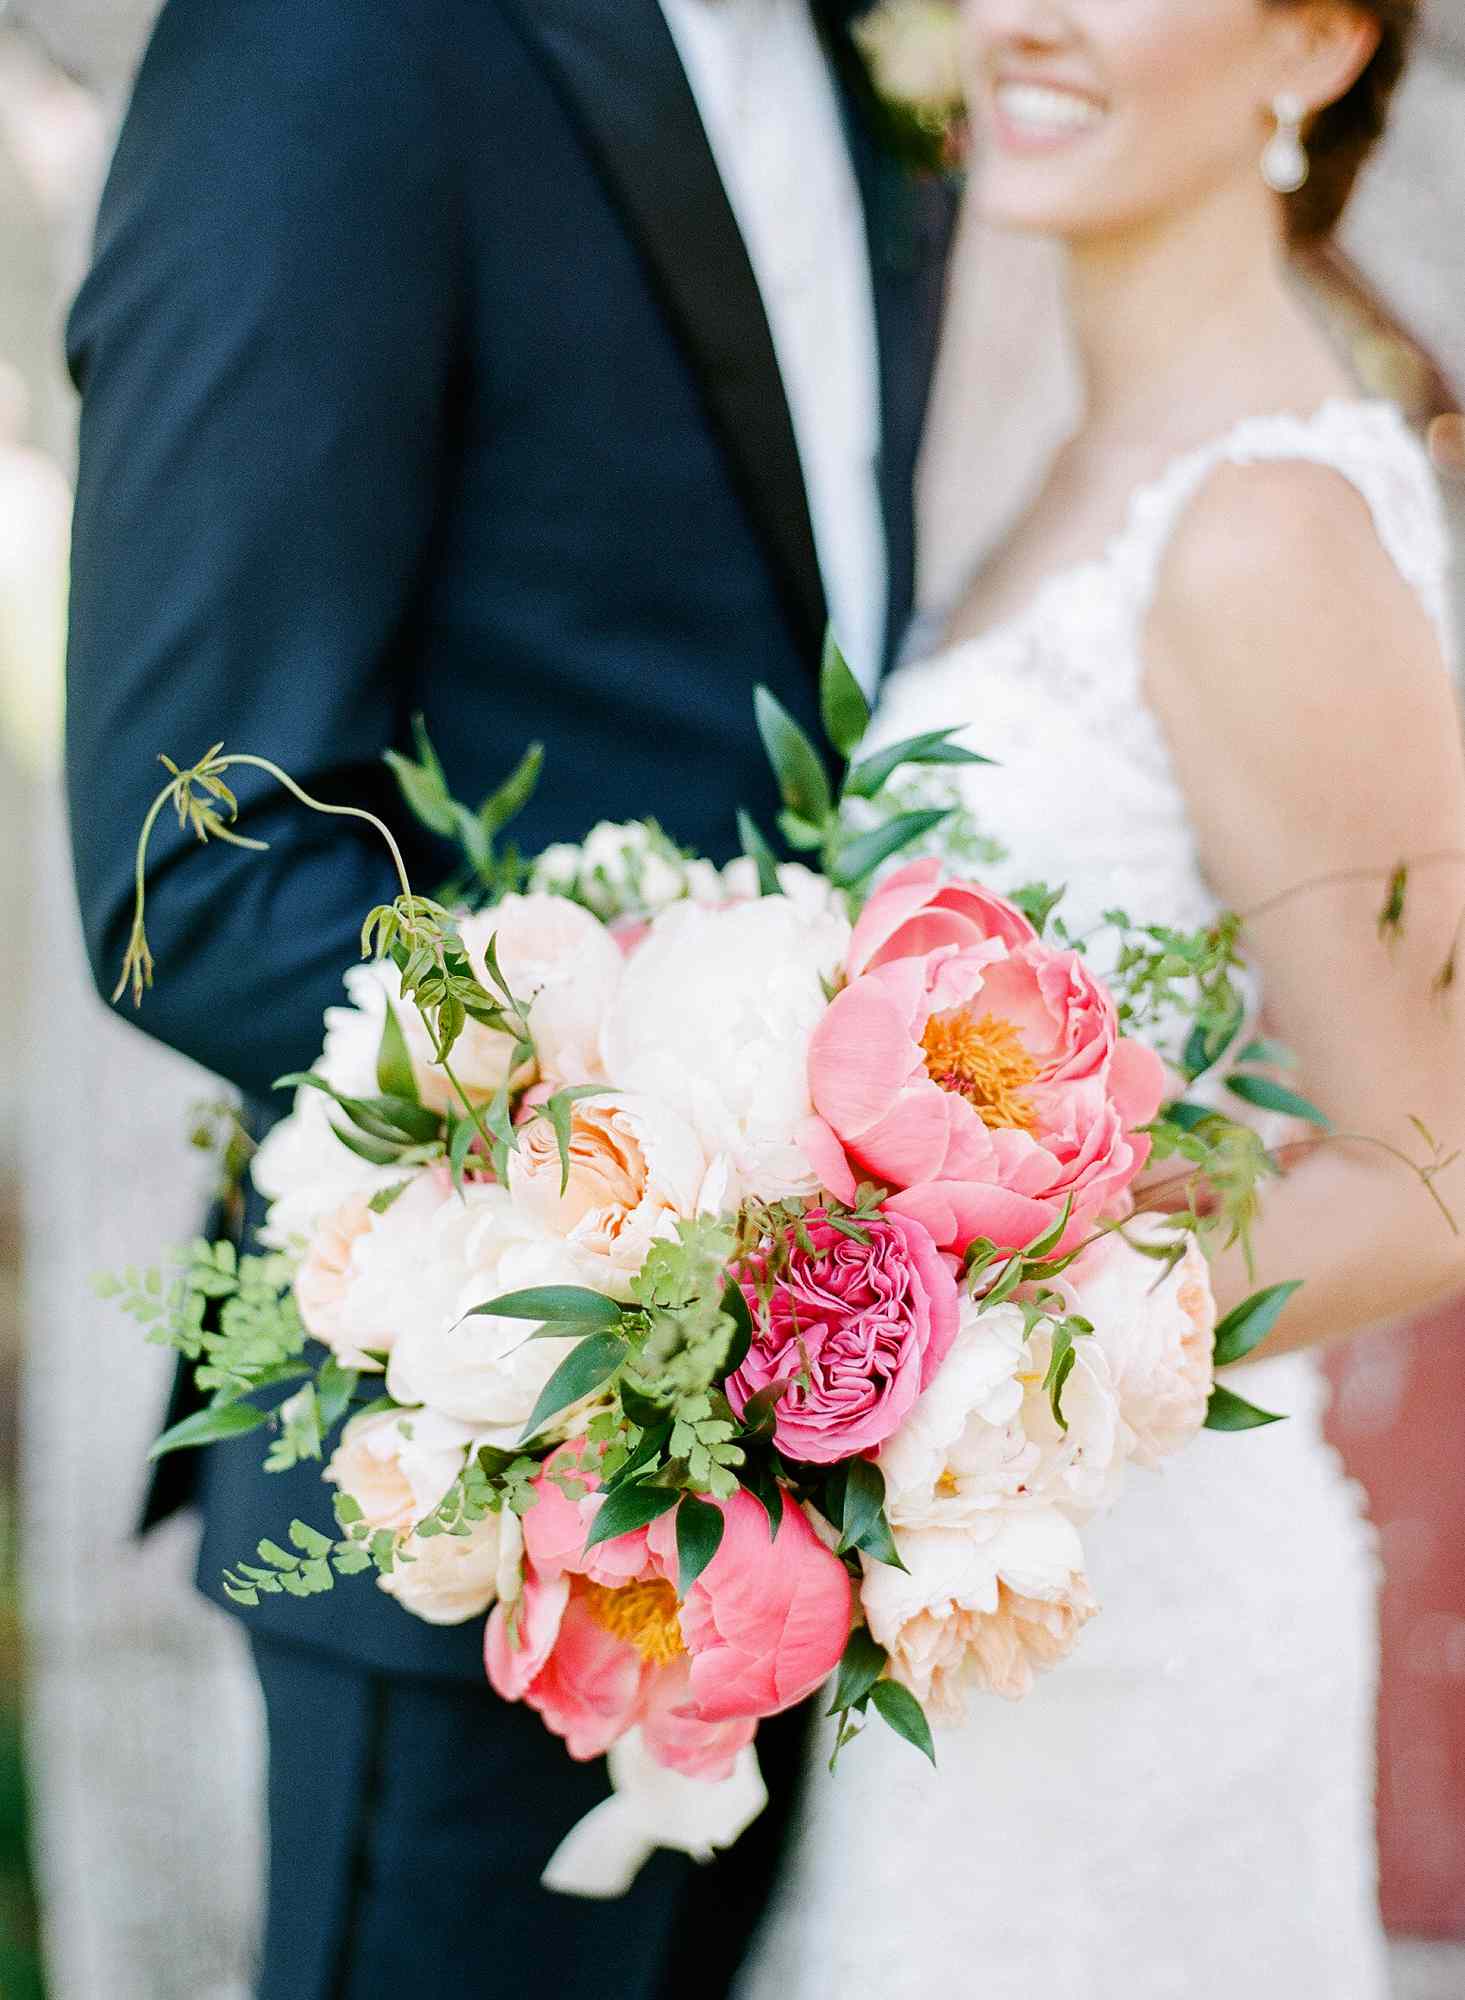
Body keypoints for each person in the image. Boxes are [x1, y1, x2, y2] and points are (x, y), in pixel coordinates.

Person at [61, 2, 954, 1994]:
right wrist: (725, 1186)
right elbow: (191, 875)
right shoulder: (333, 47)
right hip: (499, 1517)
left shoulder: (868, 63)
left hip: (857, 1506)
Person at [738, 2, 1465, 1995]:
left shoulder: (1268, 530)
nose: (1023, 15)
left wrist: (960, 1356)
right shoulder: (1058, 467)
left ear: (1311, 48)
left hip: (1130, 1628)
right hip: (972, 1613)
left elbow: (1429, 1173)